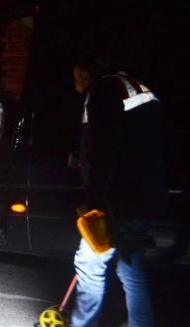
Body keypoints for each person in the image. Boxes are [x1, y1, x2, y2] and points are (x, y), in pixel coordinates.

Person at [70, 57, 166, 326]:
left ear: (88, 73)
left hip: (118, 201)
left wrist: (94, 201)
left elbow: (103, 152)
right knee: (131, 268)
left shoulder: (103, 91)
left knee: (90, 264)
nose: (75, 85)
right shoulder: (135, 86)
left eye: (76, 77)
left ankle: (83, 323)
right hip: (144, 195)